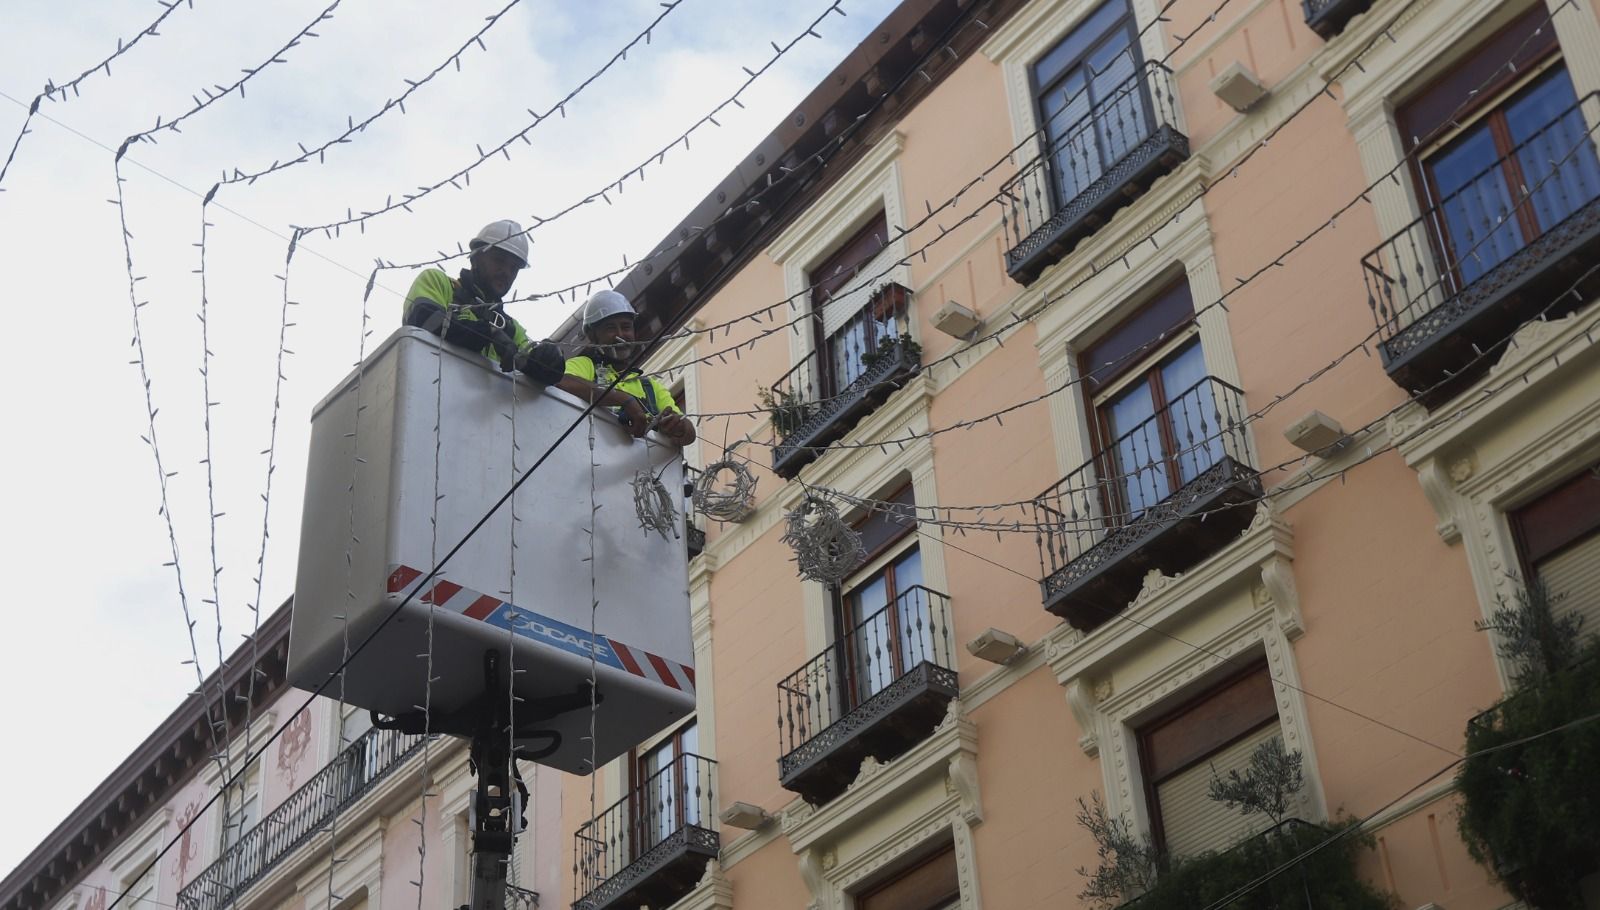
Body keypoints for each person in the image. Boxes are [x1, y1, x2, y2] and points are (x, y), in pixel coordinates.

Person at [401, 219, 565, 384]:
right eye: (499, 260)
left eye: (514, 268)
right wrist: (488, 333)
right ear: (476, 258)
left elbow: (537, 369)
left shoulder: (511, 328)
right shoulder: (439, 282)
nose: (506, 272)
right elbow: (425, 320)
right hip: (426, 390)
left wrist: (550, 358)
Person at [557, 289, 696, 446]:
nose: (620, 335)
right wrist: (624, 399)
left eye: (626, 327)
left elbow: (689, 435)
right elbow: (563, 382)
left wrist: (678, 427)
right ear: (593, 335)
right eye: (610, 328)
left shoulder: (649, 387)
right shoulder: (584, 365)